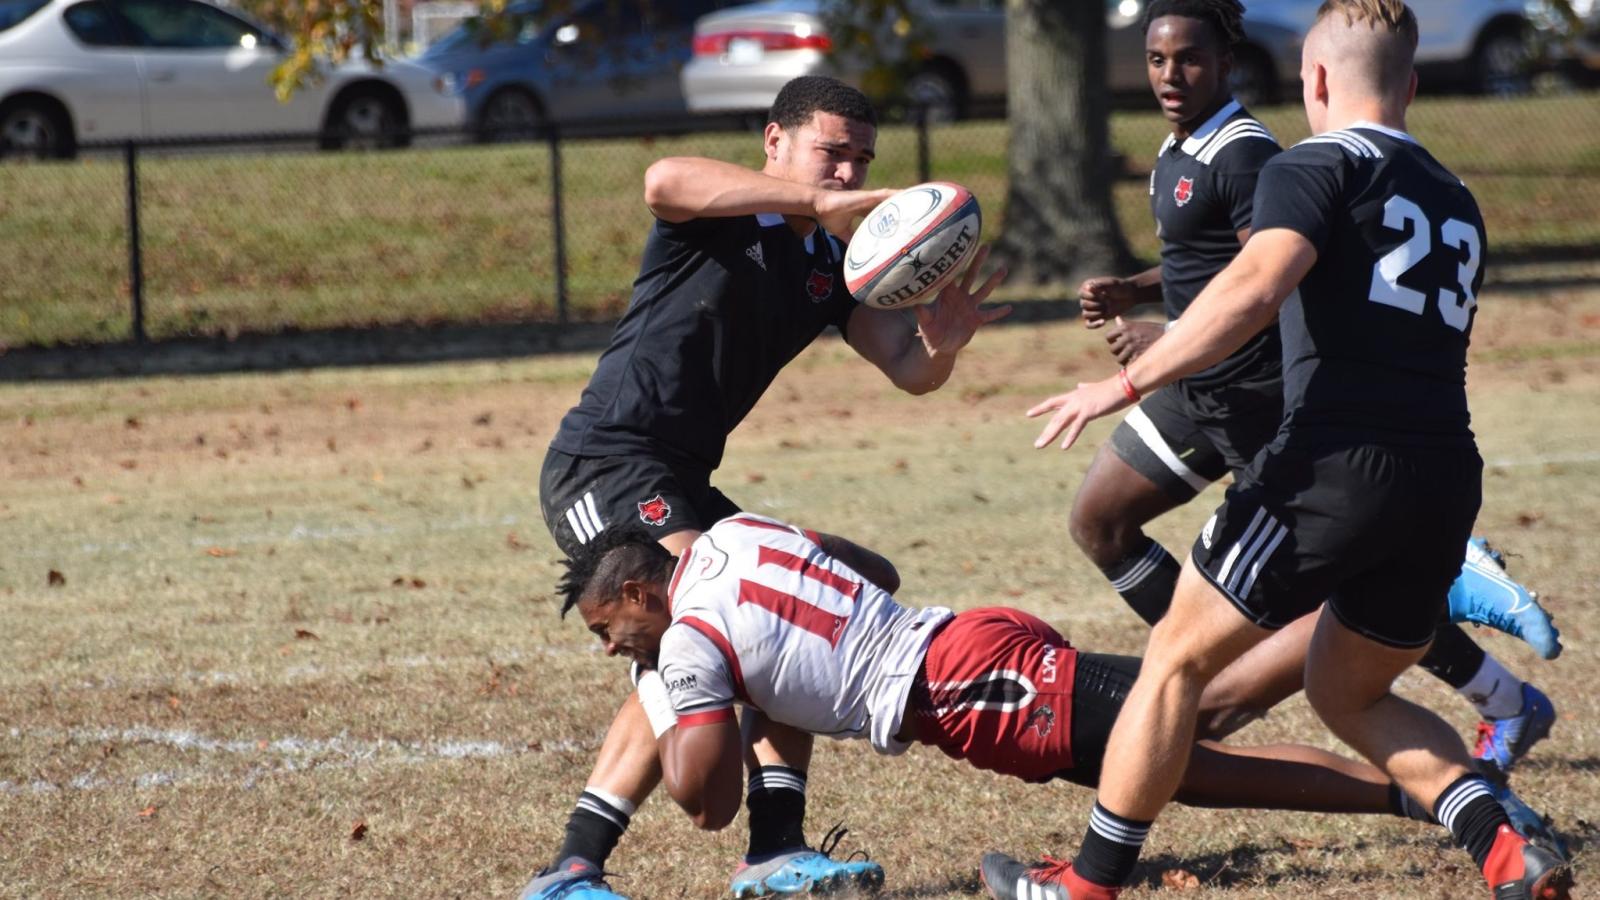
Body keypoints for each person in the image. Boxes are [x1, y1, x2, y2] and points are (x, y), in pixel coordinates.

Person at [997, 2, 1574, 898]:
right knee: (1347, 692)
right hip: (1445, 476)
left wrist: (1119, 385)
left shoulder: (1310, 162)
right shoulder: (1455, 197)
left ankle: (1084, 884)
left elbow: (1256, 288)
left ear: (1312, 82)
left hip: (1331, 466)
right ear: (1413, 86)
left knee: (1177, 663)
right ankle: (1506, 848)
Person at [525, 75, 1008, 900]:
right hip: (607, 462)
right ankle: (571, 870)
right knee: (707, 620)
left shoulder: (831, 260)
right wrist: (809, 197)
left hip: (681, 476)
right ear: (775, 144)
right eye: (831, 152)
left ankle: (776, 851)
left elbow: (905, 366)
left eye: (862, 160)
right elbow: (661, 180)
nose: (848, 175)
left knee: (797, 605)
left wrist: (943, 344)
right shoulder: (723, 208)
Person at [551, 514, 1557, 893]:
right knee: (1193, 769)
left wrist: (676, 685)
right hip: (960, 655)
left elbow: (702, 799)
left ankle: (1420, 581)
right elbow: (873, 560)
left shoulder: (682, 643)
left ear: (640, 592)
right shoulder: (732, 534)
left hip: (970, 690)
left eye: (610, 632)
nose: (616, 653)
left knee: (1192, 710)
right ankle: (1431, 798)